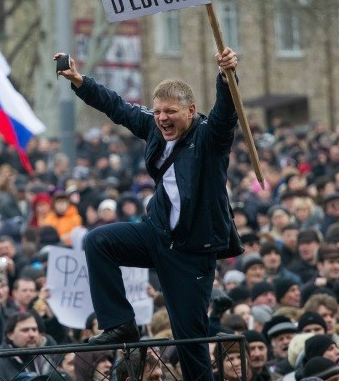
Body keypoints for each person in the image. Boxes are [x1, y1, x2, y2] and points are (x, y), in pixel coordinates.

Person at [54, 47, 240, 381]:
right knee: (98, 242)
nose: (163, 119)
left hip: (191, 252)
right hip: (157, 234)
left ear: (191, 111)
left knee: (190, 341)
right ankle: (121, 325)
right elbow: (118, 107)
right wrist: (81, 82)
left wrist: (226, 75)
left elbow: (227, 114)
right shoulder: (153, 128)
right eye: (157, 112)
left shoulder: (210, 138)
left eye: (171, 111)